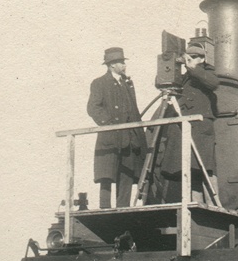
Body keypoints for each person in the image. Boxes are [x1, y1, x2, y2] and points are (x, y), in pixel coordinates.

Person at [87, 47, 147, 208]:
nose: (124, 65)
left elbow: (133, 109)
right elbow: (93, 108)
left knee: (126, 173)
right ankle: (104, 209)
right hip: (110, 137)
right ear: (111, 65)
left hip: (128, 138)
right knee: (106, 175)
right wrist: (109, 124)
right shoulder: (99, 83)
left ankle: (123, 209)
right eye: (121, 62)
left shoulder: (127, 84)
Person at [161, 39, 219, 202]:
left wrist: (193, 68)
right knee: (191, 170)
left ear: (201, 59)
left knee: (206, 169)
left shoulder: (207, 72)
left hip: (200, 129)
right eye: (189, 57)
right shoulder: (185, 77)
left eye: (193, 57)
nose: (189, 60)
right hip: (186, 128)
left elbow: (214, 83)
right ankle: (197, 207)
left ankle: (214, 206)